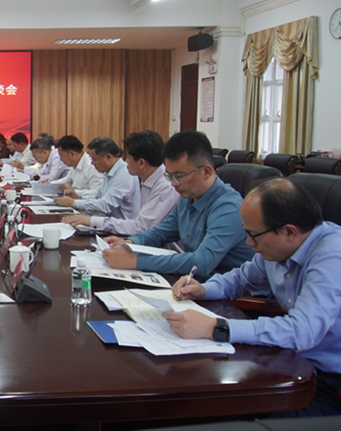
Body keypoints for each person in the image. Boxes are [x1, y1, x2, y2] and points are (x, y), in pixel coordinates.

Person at [165, 178, 341, 417]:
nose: (249, 243)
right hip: (291, 362)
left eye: (253, 235)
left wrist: (218, 327)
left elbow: (302, 331)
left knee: (219, 409)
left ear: (289, 231)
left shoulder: (332, 257)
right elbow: (241, 278)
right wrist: (203, 289)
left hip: (328, 386)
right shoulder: (279, 248)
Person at [102, 130, 254, 280]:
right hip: (193, 283)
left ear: (206, 172)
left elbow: (201, 263)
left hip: (226, 290)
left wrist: (135, 261)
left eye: (179, 176)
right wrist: (130, 242)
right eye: (169, 176)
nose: (173, 183)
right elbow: (161, 233)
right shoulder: (189, 197)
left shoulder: (228, 208)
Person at [62, 130, 179, 235]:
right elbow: (99, 197)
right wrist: (79, 200)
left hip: (134, 234)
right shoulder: (145, 179)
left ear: (141, 163)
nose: (126, 161)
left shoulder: (165, 186)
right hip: (128, 231)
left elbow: (142, 227)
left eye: (128, 157)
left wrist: (88, 218)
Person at [54, 137, 140, 221]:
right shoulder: (110, 172)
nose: (92, 163)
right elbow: (98, 197)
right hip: (107, 222)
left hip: (120, 227)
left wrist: (73, 203)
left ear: (108, 157)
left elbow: (105, 205)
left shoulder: (124, 174)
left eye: (94, 159)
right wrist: (79, 197)